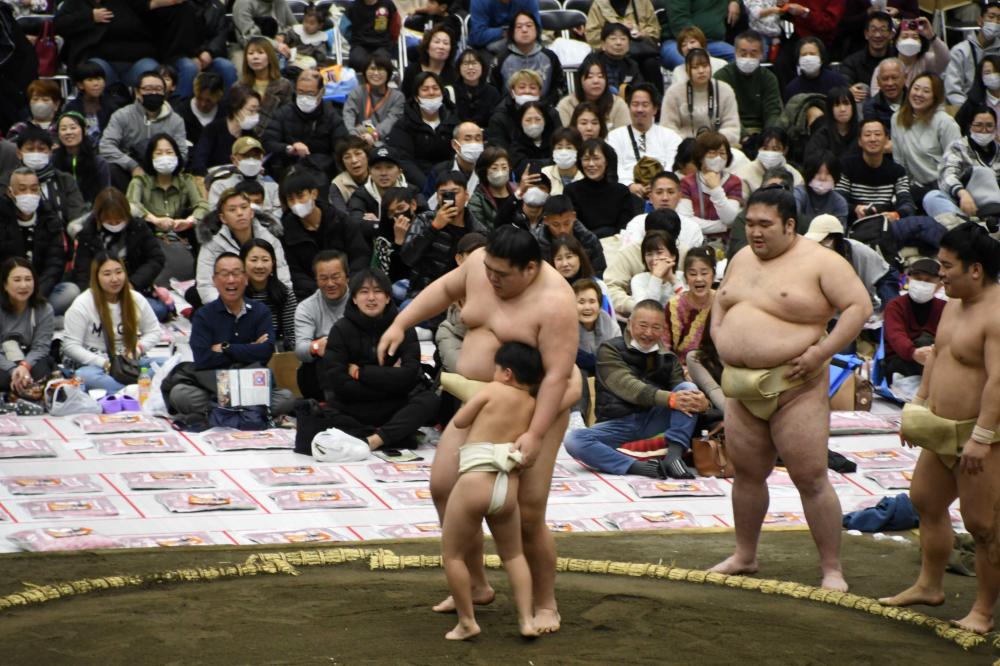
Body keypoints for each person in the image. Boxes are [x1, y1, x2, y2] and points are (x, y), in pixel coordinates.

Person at [378, 225, 581, 633]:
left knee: (528, 511)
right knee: (443, 486)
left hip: (536, 405)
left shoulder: (556, 303)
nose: (491, 279)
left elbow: (558, 377)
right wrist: (400, 322)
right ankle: (475, 584)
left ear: (530, 269)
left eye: (501, 275)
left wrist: (534, 434)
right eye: (488, 270)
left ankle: (545, 603)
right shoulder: (480, 264)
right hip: (480, 398)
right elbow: (444, 288)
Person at [709, 187, 872, 591]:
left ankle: (832, 568)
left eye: (765, 224)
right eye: (750, 223)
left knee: (810, 477)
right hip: (741, 387)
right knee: (747, 474)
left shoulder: (821, 262)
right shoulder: (741, 258)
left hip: (795, 386)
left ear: (789, 225)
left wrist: (822, 353)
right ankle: (745, 555)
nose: (755, 232)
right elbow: (721, 300)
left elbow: (859, 307)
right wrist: (719, 334)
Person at [878, 223, 1000, 636]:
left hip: (981, 436)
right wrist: (918, 409)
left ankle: (983, 611)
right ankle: (929, 586)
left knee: (983, 525)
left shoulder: (997, 313)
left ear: (975, 269)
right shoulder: (953, 304)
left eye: (947, 266)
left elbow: (998, 381)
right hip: (941, 428)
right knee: (925, 500)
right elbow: (937, 357)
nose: (940, 274)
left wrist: (982, 437)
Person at [442, 341, 543, 641]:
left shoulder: (492, 390)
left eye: (496, 369)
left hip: (475, 482)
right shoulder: (532, 404)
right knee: (514, 555)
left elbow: (460, 420)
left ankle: (467, 622)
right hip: (507, 487)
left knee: (453, 555)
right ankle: (527, 620)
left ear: (507, 373)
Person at [564, 298, 708, 478]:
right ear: (630, 324)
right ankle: (637, 466)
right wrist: (671, 399)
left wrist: (703, 404)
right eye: (643, 325)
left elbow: (682, 398)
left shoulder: (668, 358)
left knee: (688, 388)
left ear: (663, 329)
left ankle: (674, 456)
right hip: (617, 424)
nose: (648, 333)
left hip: (654, 420)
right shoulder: (609, 349)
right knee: (574, 440)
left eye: (656, 327)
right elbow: (629, 387)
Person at [166, 252, 295, 421]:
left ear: (245, 278)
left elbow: (265, 351)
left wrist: (225, 347)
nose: (231, 280)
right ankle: (245, 410)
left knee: (286, 398)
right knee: (181, 395)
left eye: (236, 273)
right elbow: (203, 358)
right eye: (225, 274)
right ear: (215, 280)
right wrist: (249, 348)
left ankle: (220, 411)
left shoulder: (260, 311)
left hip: (251, 385)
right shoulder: (204, 315)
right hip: (214, 386)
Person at [321, 267, 438, 449]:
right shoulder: (341, 329)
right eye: (364, 292)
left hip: (394, 405)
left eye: (377, 291)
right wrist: (390, 376)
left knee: (429, 400)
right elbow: (338, 382)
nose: (371, 298)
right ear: (354, 298)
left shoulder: (403, 327)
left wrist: (360, 373)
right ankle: (392, 435)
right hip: (354, 406)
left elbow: (410, 374)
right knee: (323, 412)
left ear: (388, 297)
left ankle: (374, 439)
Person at [62, 253, 160, 393]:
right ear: (96, 277)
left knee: (168, 364)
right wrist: (103, 363)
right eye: (107, 274)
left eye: (119, 272)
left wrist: (137, 349)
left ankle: (128, 388)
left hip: (129, 360)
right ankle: (138, 388)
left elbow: (154, 331)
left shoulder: (136, 298)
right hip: (97, 362)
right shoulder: (82, 303)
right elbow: (71, 346)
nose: (115, 279)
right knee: (84, 376)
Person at [126, 133, 208, 285]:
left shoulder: (186, 180)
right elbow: (131, 205)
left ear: (177, 155)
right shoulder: (140, 181)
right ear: (150, 157)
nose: (165, 157)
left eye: (169, 152)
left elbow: (203, 205)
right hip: (150, 235)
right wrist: (154, 219)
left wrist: (189, 221)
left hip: (181, 235)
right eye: (159, 153)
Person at [72, 188, 167, 319]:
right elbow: (82, 270)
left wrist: (133, 283)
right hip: (100, 291)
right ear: (99, 218)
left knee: (158, 310)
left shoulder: (138, 227)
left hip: (132, 288)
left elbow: (156, 259)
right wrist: (95, 294)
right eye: (109, 222)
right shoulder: (88, 233)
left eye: (119, 221)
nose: (114, 225)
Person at [281, 169, 369, 301]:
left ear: (314, 193)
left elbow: (360, 256)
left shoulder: (340, 220)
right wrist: (321, 289)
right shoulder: (287, 231)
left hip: (349, 289)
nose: (296, 203)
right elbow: (295, 273)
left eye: (300, 196)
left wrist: (347, 284)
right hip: (312, 296)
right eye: (291, 199)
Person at [0, 168, 77, 317]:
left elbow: (55, 264)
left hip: (38, 292)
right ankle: (34, 318)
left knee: (70, 291)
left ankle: (29, 317)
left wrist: (35, 294)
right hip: (6, 291)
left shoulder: (50, 219)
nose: (29, 194)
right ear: (10, 192)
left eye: (34, 189)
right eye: (22, 189)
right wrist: (12, 292)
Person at [402, 172, 487, 303]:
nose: (449, 198)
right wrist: (434, 227)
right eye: (444, 194)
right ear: (437, 197)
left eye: (455, 193)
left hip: (464, 296)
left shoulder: (478, 231)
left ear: (466, 196)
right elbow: (408, 258)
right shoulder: (424, 220)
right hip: (424, 294)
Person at [196, 189, 290, 304]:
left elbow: (283, 278)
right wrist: (231, 306)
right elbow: (206, 286)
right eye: (232, 209)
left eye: (244, 207)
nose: (240, 213)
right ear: (223, 218)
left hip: (268, 301)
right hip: (228, 304)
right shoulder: (212, 245)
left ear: (251, 213)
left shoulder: (269, 239)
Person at [99, 71, 188, 190]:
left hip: (164, 172)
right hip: (130, 171)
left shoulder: (176, 120)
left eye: (158, 89)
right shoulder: (121, 115)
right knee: (111, 168)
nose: (154, 93)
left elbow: (182, 153)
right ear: (137, 92)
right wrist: (132, 165)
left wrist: (164, 165)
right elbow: (106, 146)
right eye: (148, 89)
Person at [263, 68, 348, 177]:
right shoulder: (283, 113)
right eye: (300, 92)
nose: (304, 98)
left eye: (310, 93)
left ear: (321, 92)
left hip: (321, 173)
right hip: (288, 172)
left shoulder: (332, 117)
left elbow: (341, 148)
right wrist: (289, 148)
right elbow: (268, 142)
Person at [804, 214, 899, 312]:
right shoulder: (809, 255)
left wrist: (888, 310)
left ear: (836, 238)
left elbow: (887, 276)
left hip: (863, 309)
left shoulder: (859, 250)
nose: (819, 245)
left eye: (824, 241)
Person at [54, 0, 159, 88]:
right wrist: (89, 17)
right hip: (98, 59)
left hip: (139, 59)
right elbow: (59, 24)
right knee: (92, 73)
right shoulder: (77, 2)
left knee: (153, 74)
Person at [891, 74, 961, 205]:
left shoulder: (945, 122)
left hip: (943, 186)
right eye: (916, 88)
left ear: (935, 96)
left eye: (926, 91)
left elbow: (956, 163)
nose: (919, 94)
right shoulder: (897, 118)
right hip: (915, 187)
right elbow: (899, 161)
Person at [923, 107, 1000, 220]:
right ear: (970, 126)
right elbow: (947, 175)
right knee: (931, 197)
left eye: (989, 126)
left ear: (995, 128)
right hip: (963, 203)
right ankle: (967, 225)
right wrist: (962, 193)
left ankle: (989, 220)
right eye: (978, 125)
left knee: (983, 173)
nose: (984, 130)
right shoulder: (957, 147)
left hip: (995, 207)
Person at [9, 127, 89, 234]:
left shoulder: (64, 180)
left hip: (60, 237)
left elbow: (77, 214)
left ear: (50, 152)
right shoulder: (8, 180)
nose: (36, 153)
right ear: (19, 153)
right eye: (30, 149)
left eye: (41, 149)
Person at [387, 72, 458, 192]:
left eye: (435, 88)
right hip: (418, 186)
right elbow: (405, 161)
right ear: (416, 97)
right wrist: (428, 187)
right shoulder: (404, 125)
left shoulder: (453, 121)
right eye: (425, 89)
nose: (431, 93)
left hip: (451, 182)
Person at [294, 250, 350, 401]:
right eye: (323, 278)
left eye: (335, 277)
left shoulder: (360, 300)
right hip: (322, 371)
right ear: (316, 280)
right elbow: (300, 350)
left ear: (347, 276)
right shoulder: (306, 307)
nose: (330, 283)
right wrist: (316, 346)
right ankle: (331, 407)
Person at [838, 118, 915, 223]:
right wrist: (855, 209)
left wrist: (895, 214)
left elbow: (908, 204)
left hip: (886, 225)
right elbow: (838, 201)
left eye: (878, 134)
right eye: (867, 135)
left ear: (887, 139)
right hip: (853, 224)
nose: (873, 139)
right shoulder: (846, 166)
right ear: (859, 141)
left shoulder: (898, 171)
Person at [714, 30, 782, 148]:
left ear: (761, 55)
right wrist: (745, 137)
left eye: (753, 54)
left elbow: (772, 111)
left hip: (761, 131)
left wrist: (769, 136)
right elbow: (722, 112)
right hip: (730, 129)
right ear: (735, 53)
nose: (748, 58)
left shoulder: (769, 78)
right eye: (743, 53)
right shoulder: (722, 76)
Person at [607, 83, 683, 189]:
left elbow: (672, 165)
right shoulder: (614, 137)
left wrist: (658, 185)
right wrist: (630, 185)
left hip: (662, 190)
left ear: (655, 109)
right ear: (628, 107)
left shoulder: (671, 137)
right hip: (626, 191)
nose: (639, 109)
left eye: (645, 105)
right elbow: (615, 166)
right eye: (635, 104)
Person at [881, 258, 944, 383]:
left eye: (928, 281)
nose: (922, 283)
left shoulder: (944, 308)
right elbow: (896, 335)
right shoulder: (895, 305)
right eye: (918, 278)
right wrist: (913, 353)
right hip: (900, 359)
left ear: (939, 285)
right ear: (908, 279)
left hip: (933, 358)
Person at [662, 48, 740, 147]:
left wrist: (713, 141)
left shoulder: (725, 90)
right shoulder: (674, 92)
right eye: (695, 67)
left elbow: (732, 127)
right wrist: (688, 144)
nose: (701, 71)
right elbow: (668, 128)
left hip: (717, 146)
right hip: (684, 147)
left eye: (705, 66)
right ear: (687, 70)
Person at [0, 258, 54, 399]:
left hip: (29, 359)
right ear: (5, 284)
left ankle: (19, 391)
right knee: (5, 379)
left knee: (41, 372)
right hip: (3, 361)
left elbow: (41, 347)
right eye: (17, 280)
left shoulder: (44, 309)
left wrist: (24, 366)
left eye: (28, 279)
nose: (24, 285)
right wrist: (13, 370)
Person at [565, 138, 640, 239]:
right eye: (586, 159)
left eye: (596, 158)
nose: (591, 164)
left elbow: (624, 229)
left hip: (616, 244)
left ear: (606, 161)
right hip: (584, 245)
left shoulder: (621, 191)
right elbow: (575, 229)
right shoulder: (571, 191)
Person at [491, 12, 565, 108]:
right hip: (509, 111)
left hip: (544, 109)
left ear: (537, 30)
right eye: (519, 27)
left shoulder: (550, 57)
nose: (524, 30)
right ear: (512, 32)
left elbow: (559, 87)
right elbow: (494, 92)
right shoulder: (500, 59)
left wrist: (545, 105)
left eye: (529, 26)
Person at [677, 131, 742, 237]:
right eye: (712, 153)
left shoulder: (734, 181)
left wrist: (716, 189)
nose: (718, 158)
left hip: (726, 242)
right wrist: (723, 226)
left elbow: (729, 218)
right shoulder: (687, 182)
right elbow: (686, 221)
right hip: (696, 240)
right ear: (700, 156)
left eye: (722, 153)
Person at [348, 145, 417, 244]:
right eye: (377, 168)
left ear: (399, 171)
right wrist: (388, 226)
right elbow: (355, 223)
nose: (383, 173)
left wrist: (378, 223)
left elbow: (425, 217)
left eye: (389, 167)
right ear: (369, 171)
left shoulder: (411, 191)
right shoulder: (361, 195)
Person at [583, 0, 660, 89]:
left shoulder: (642, 2)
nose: (618, 42)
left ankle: (654, 95)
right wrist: (618, 28)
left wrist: (641, 33)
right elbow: (591, 35)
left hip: (640, 49)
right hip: (610, 53)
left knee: (651, 63)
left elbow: (655, 30)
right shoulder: (599, 4)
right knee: (615, 61)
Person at [206, 135, 282, 222]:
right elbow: (216, 217)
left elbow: (277, 217)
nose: (252, 160)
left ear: (261, 158)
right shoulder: (220, 186)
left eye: (256, 156)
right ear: (234, 159)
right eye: (246, 156)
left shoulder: (272, 186)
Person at [869, 16, 948, 98]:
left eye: (915, 37)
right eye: (904, 37)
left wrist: (931, 36)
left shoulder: (927, 60)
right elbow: (875, 95)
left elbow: (945, 58)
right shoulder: (885, 66)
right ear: (896, 41)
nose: (910, 41)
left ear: (921, 43)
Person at [190, 86, 261, 177]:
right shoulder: (213, 130)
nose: (255, 115)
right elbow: (198, 164)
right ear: (236, 108)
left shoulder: (251, 135)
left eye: (257, 111)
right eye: (251, 110)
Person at [573, 277, 620, 413]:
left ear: (599, 306)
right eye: (581, 302)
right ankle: (576, 416)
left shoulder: (609, 323)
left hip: (604, 373)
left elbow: (617, 355)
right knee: (578, 371)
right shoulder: (565, 325)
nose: (587, 307)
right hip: (576, 378)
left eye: (592, 302)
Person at [241, 238, 297, 352]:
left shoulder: (285, 294)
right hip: (243, 355)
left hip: (278, 355)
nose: (259, 266)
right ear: (242, 263)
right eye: (254, 260)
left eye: (265, 260)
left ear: (273, 264)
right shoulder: (236, 295)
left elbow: (293, 336)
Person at [486, 69, 562, 151]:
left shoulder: (551, 114)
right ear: (512, 93)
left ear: (539, 92)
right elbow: (498, 149)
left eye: (533, 88)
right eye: (522, 87)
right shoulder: (499, 117)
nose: (527, 91)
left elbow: (560, 142)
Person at [664, 246, 716, 359]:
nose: (699, 279)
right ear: (686, 278)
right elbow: (665, 347)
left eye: (704, 273)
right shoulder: (674, 305)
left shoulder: (721, 302)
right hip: (680, 365)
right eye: (693, 274)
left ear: (713, 275)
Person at [945, 0, 1000, 106]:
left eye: (999, 19)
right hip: (966, 108)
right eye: (991, 17)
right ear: (980, 21)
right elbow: (952, 92)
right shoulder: (960, 51)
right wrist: (972, 110)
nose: (995, 22)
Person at [342, 53, 405, 146]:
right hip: (358, 141)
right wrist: (354, 136)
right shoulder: (356, 93)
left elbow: (391, 121)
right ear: (365, 72)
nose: (376, 73)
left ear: (388, 73)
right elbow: (348, 116)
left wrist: (373, 135)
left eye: (380, 69)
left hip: (385, 142)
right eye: (372, 69)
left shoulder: (397, 97)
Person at [533, 194, 606, 274]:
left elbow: (599, 271)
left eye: (567, 223)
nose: (562, 230)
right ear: (546, 221)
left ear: (574, 216)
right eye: (556, 225)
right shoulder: (536, 244)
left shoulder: (589, 239)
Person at [557, 55, 631, 132]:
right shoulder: (566, 105)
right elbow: (564, 136)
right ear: (580, 81)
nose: (596, 81)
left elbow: (624, 135)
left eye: (600, 76)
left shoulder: (618, 104)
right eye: (590, 77)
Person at [237, 37, 293, 137]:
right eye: (251, 53)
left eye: (260, 52)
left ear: (270, 56)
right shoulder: (239, 86)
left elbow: (287, 119)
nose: (255, 57)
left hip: (272, 137)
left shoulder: (284, 85)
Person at [658, 0, 738, 69]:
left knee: (739, 57)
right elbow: (678, 20)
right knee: (690, 62)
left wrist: (735, 2)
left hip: (712, 42)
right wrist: (697, 46)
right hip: (679, 42)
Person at [837, 11, 896, 102]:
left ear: (891, 34)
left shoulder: (898, 58)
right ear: (866, 34)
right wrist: (849, 90)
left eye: (882, 30)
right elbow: (843, 81)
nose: (877, 35)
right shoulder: (852, 62)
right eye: (873, 30)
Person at [53, 112, 111, 203]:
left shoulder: (98, 162)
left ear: (84, 130)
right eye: (63, 129)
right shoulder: (53, 161)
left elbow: (105, 194)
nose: (68, 132)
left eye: (73, 128)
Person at [735, 126, 805, 196]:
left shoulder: (795, 175)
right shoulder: (743, 174)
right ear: (758, 149)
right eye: (765, 148)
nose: (770, 152)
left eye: (775, 149)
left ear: (785, 150)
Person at [426, 122, 484, 203]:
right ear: (455, 144)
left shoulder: (487, 169)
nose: (473, 143)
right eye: (467, 139)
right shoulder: (440, 171)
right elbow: (427, 202)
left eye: (478, 139)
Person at [63, 62, 117, 147]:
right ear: (80, 85)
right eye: (90, 80)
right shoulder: (72, 108)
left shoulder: (112, 106)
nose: (96, 84)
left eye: (98, 79)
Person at [804, 87, 861, 165]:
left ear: (853, 107)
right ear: (830, 109)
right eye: (837, 105)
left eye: (846, 103)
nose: (842, 109)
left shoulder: (861, 132)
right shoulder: (821, 135)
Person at [783, 37, 850, 102]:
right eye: (804, 55)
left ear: (821, 58)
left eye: (812, 54)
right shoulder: (791, 88)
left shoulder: (837, 81)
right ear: (798, 60)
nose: (808, 58)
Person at [401, 24, 458, 99]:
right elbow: (406, 99)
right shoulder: (412, 71)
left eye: (446, 43)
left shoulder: (454, 73)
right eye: (437, 42)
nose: (441, 47)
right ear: (427, 47)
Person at [795, 152, 850, 229]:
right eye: (818, 172)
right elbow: (793, 218)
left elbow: (839, 231)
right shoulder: (799, 193)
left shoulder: (840, 202)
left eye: (828, 173)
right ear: (809, 173)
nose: (822, 178)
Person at [343, 0, 399, 72]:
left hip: (383, 45)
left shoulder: (388, 4)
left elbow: (396, 25)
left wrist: (391, 41)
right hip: (359, 45)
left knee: (382, 62)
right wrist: (353, 40)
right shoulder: (352, 6)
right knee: (357, 61)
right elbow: (344, 28)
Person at [452, 49, 503, 130]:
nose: (470, 67)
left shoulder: (492, 92)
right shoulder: (451, 91)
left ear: (482, 66)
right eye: (466, 64)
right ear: (459, 68)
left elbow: (497, 120)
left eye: (474, 63)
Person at [467, 0, 541, 55]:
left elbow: (536, 29)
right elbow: (478, 36)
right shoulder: (480, 1)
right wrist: (506, 32)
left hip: (522, 40)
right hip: (489, 46)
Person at [467, 147, 514, 232]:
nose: (500, 172)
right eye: (494, 168)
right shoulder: (476, 199)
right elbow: (480, 229)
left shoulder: (517, 191)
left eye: (504, 167)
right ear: (484, 171)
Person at [630, 230, 682, 305]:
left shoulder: (683, 277)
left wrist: (673, 280)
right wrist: (656, 277)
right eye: (649, 254)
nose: (654, 258)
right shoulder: (639, 280)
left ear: (673, 256)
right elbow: (647, 309)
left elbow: (690, 306)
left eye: (659, 252)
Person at [173, 72, 224, 148]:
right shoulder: (181, 113)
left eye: (209, 101)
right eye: (199, 98)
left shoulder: (225, 114)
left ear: (218, 97)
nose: (203, 104)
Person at [954, 54, 1000, 138]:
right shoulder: (973, 102)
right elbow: (958, 128)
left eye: (996, 71)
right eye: (987, 73)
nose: (993, 76)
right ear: (981, 76)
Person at [593, 22, 644, 95]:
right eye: (613, 38)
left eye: (623, 39)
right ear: (603, 44)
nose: (618, 43)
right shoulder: (593, 61)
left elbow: (639, 88)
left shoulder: (631, 65)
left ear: (629, 44)